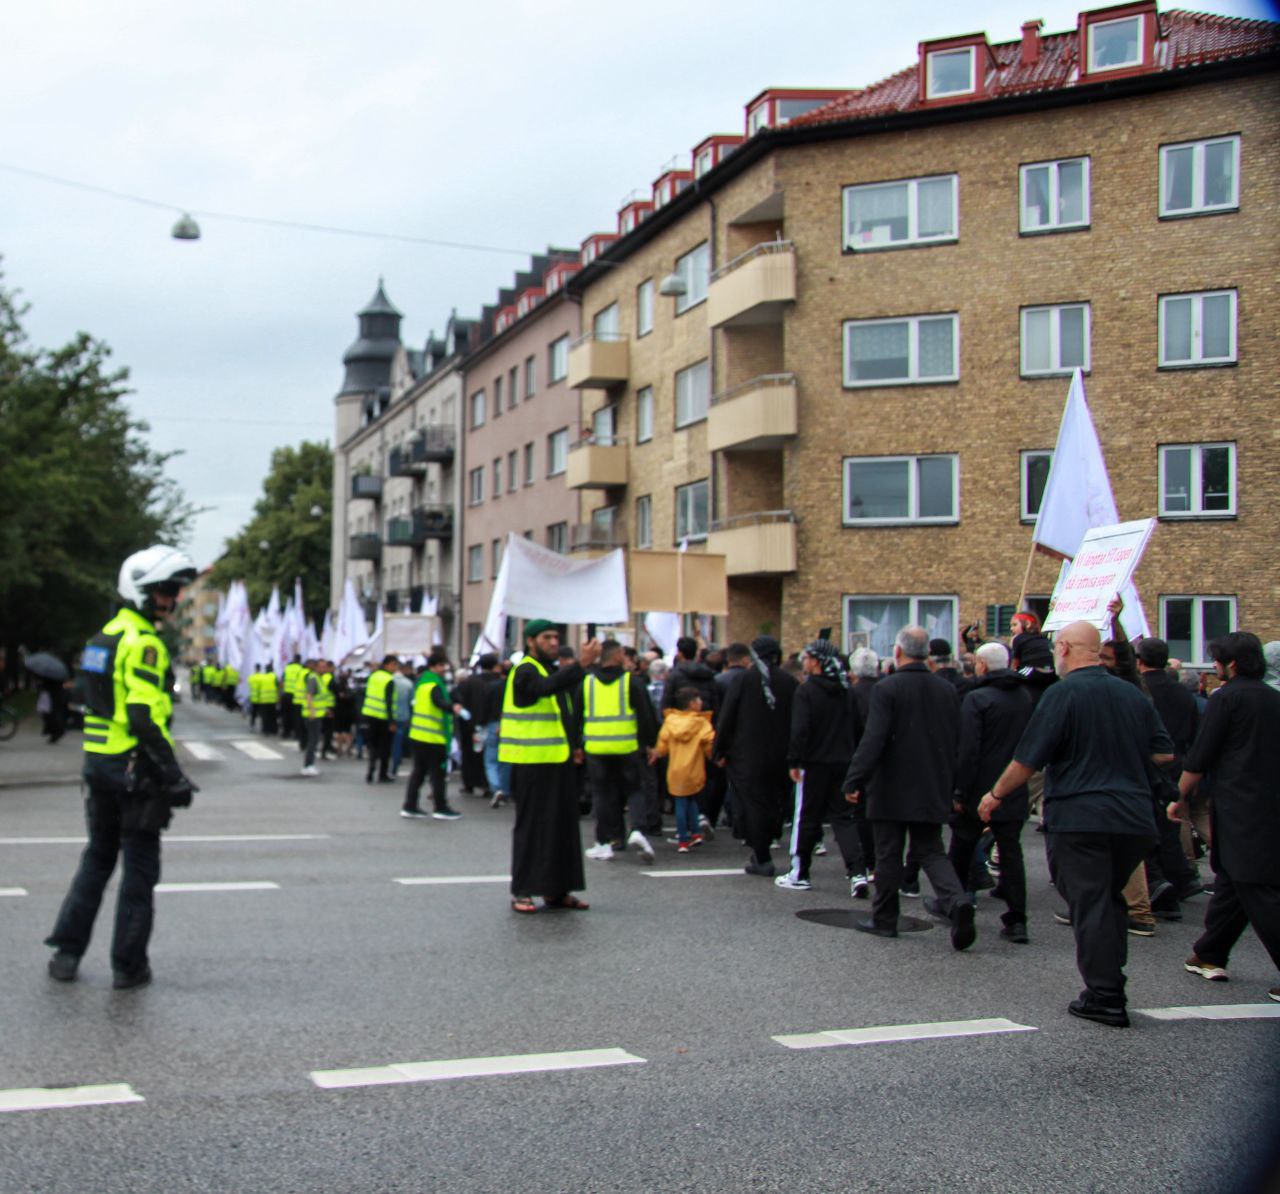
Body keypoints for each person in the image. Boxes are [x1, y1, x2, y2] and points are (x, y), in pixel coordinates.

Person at [980, 621, 1174, 1027]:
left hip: (1081, 814)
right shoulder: (1131, 694)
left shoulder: (1062, 694)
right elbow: (1163, 753)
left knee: (1090, 901)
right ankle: (1110, 982)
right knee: (1108, 898)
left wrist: (995, 795)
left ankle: (1105, 995)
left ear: (1065, 648)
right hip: (1134, 816)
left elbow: (1027, 759)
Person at [45, 545, 198, 990]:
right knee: (139, 870)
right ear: (141, 591)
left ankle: (66, 953)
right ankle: (129, 967)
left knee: (97, 859)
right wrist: (173, 776)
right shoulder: (144, 643)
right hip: (136, 772)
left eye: (173, 591)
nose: (172, 599)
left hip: (98, 767)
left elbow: (88, 703)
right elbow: (143, 717)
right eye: (165, 591)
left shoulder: (102, 638)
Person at [843, 626, 974, 950]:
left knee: (888, 852)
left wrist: (855, 778)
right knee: (931, 849)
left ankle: (885, 918)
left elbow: (874, 739)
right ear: (927, 653)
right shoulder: (946, 690)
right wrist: (956, 785)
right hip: (932, 781)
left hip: (891, 784)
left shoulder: (887, 688)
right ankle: (956, 900)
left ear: (898, 652)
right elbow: (957, 739)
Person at [1172, 632, 1280, 1002]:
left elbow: (1202, 754)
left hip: (1238, 804)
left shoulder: (1226, 698)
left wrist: (1179, 795)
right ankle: (1210, 952)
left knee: (1255, 886)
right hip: (1270, 801)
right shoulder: (1273, 698)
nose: (1213, 665)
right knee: (1233, 882)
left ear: (1231, 663)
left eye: (1217, 659)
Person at [500, 621, 601, 914]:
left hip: (557, 759)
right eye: (547, 637)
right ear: (531, 640)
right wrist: (580, 665)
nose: (554, 642)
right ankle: (523, 890)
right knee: (532, 828)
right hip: (532, 762)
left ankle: (558, 890)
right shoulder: (525, 669)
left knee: (562, 827)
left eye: (557, 637)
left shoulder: (549, 670)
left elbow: (564, 711)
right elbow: (541, 690)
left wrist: (575, 745)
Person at [951, 642, 1034, 941]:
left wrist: (959, 791)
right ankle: (1017, 919)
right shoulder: (1024, 696)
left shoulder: (977, 698)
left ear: (982, 665)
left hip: (979, 788)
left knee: (961, 847)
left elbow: (968, 749)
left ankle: (956, 903)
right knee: (1011, 853)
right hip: (1013, 785)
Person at [778, 639, 868, 895]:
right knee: (843, 818)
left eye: (807, 658)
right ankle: (858, 872)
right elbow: (858, 728)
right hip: (843, 762)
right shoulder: (846, 690)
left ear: (816, 662)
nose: (804, 662)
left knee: (807, 817)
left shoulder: (806, 691)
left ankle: (800, 872)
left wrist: (794, 760)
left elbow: (800, 729)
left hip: (814, 763)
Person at [714, 636, 798, 877]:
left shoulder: (743, 680)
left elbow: (727, 717)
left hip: (746, 753)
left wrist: (719, 750)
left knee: (752, 803)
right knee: (775, 799)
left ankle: (761, 854)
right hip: (781, 753)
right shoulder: (789, 682)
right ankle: (769, 838)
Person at [580, 639, 659, 863]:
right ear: (617, 656)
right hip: (627, 746)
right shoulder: (630, 682)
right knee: (634, 789)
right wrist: (650, 743)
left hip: (596, 747)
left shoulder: (588, 682)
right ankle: (638, 830)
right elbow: (646, 715)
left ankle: (605, 842)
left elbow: (576, 713)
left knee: (603, 794)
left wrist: (577, 745)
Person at [403, 648, 463, 820]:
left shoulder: (421, 684)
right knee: (438, 775)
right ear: (434, 666)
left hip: (418, 735)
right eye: (442, 666)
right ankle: (440, 807)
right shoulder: (435, 685)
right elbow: (439, 702)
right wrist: (453, 707)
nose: (444, 669)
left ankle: (410, 805)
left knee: (418, 773)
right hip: (433, 738)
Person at [653, 687, 715, 852]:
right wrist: (715, 757)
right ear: (692, 704)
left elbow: (662, 745)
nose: (701, 702)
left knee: (680, 803)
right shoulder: (701, 722)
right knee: (692, 799)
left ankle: (683, 838)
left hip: (675, 769)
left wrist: (656, 753)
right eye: (699, 700)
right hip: (694, 768)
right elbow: (709, 742)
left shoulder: (670, 721)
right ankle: (694, 833)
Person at [361, 655, 400, 784]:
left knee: (373, 745)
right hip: (383, 718)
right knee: (385, 747)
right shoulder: (389, 680)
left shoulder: (373, 676)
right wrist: (392, 722)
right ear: (386, 665)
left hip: (370, 715)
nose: (395, 668)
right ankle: (382, 774)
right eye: (394, 664)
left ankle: (370, 770)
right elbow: (389, 701)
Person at [299, 659, 333, 777]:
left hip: (317, 714)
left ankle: (310, 764)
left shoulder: (319, 679)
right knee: (313, 740)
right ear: (316, 667)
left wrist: (326, 709)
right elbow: (309, 695)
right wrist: (312, 711)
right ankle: (308, 765)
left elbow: (320, 697)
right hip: (313, 715)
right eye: (321, 667)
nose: (324, 669)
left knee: (314, 740)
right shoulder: (314, 678)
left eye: (325, 667)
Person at [388, 661, 415, 779]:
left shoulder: (389, 680)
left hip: (389, 715)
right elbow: (412, 702)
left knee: (390, 742)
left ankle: (388, 765)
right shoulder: (408, 683)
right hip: (403, 716)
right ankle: (396, 764)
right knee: (398, 741)